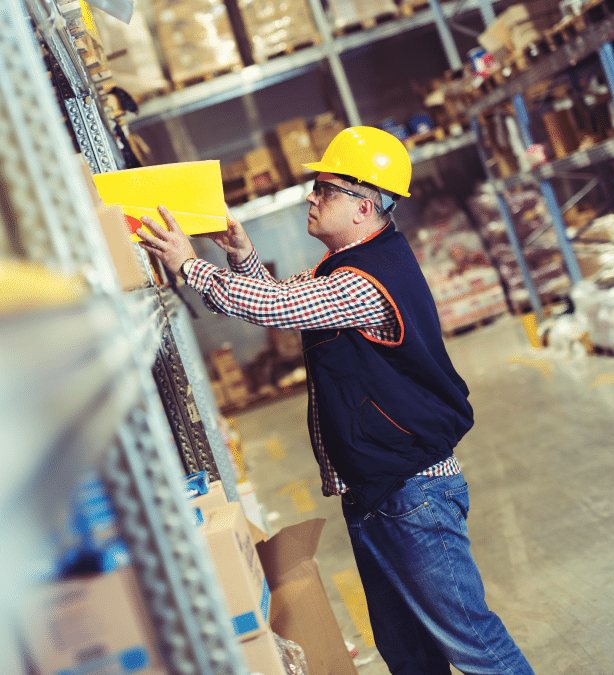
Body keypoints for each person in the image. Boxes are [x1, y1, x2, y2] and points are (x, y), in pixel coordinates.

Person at [137, 126, 535, 675]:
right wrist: (242, 254)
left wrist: (189, 265)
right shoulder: (350, 265)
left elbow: (275, 310)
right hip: (380, 490)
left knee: (473, 644)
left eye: (324, 189)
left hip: (411, 492)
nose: (310, 196)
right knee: (408, 653)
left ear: (363, 206)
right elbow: (287, 297)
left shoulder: (369, 279)